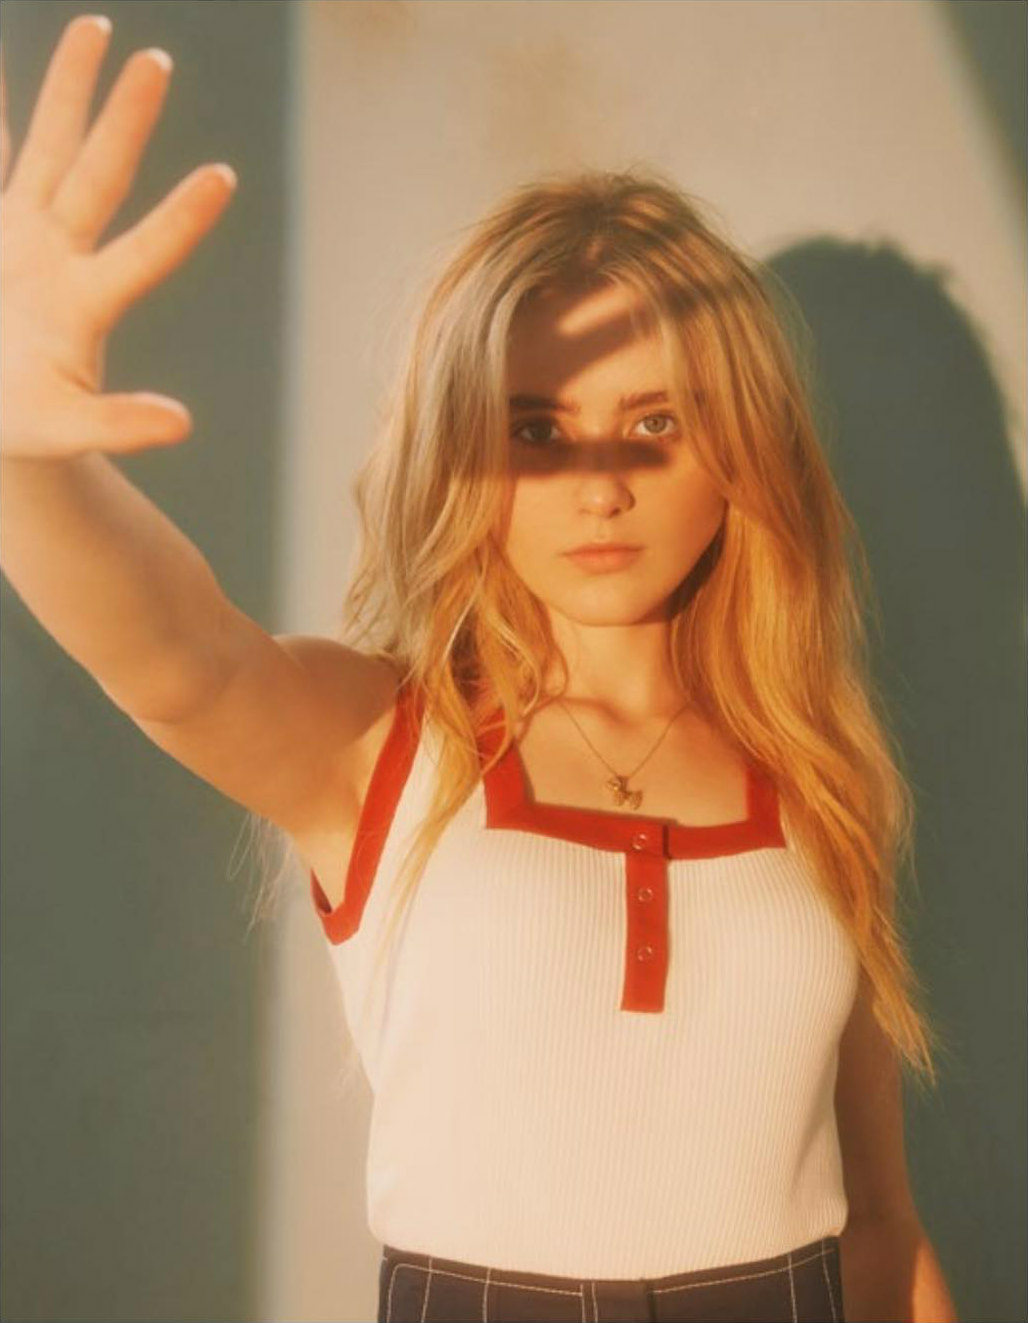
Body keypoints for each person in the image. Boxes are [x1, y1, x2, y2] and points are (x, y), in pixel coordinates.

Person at [0, 15, 959, 1323]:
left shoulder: (823, 774)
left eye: (654, 423)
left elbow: (882, 1222)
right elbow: (180, 660)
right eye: (538, 432)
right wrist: (27, 464)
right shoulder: (377, 739)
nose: (599, 487)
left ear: (742, 449)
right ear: (463, 452)